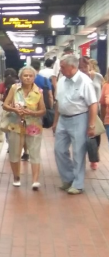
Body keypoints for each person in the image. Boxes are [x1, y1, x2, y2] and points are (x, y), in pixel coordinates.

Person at [52, 54, 99, 195]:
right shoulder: (61, 80)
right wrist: (55, 121)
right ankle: (68, 178)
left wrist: (91, 125)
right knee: (59, 150)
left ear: (72, 67)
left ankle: (78, 184)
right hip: (63, 119)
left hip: (79, 118)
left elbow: (93, 104)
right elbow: (58, 102)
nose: (60, 69)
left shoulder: (85, 81)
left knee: (78, 152)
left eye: (62, 67)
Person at [2, 66, 45, 190]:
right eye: (25, 75)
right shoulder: (14, 88)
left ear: (34, 77)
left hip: (34, 125)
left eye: (30, 76)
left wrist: (32, 113)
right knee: (15, 152)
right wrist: (14, 109)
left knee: (34, 152)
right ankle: (16, 177)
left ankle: (35, 180)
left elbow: (43, 110)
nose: (28, 78)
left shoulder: (38, 91)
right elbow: (5, 105)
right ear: (20, 77)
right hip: (15, 124)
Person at [80, 57, 104, 169]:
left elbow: (102, 91)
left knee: (95, 133)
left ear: (90, 66)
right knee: (81, 135)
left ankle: (94, 157)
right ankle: (82, 157)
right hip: (82, 110)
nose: (83, 69)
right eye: (81, 67)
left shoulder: (98, 77)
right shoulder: (78, 79)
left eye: (85, 66)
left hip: (96, 109)